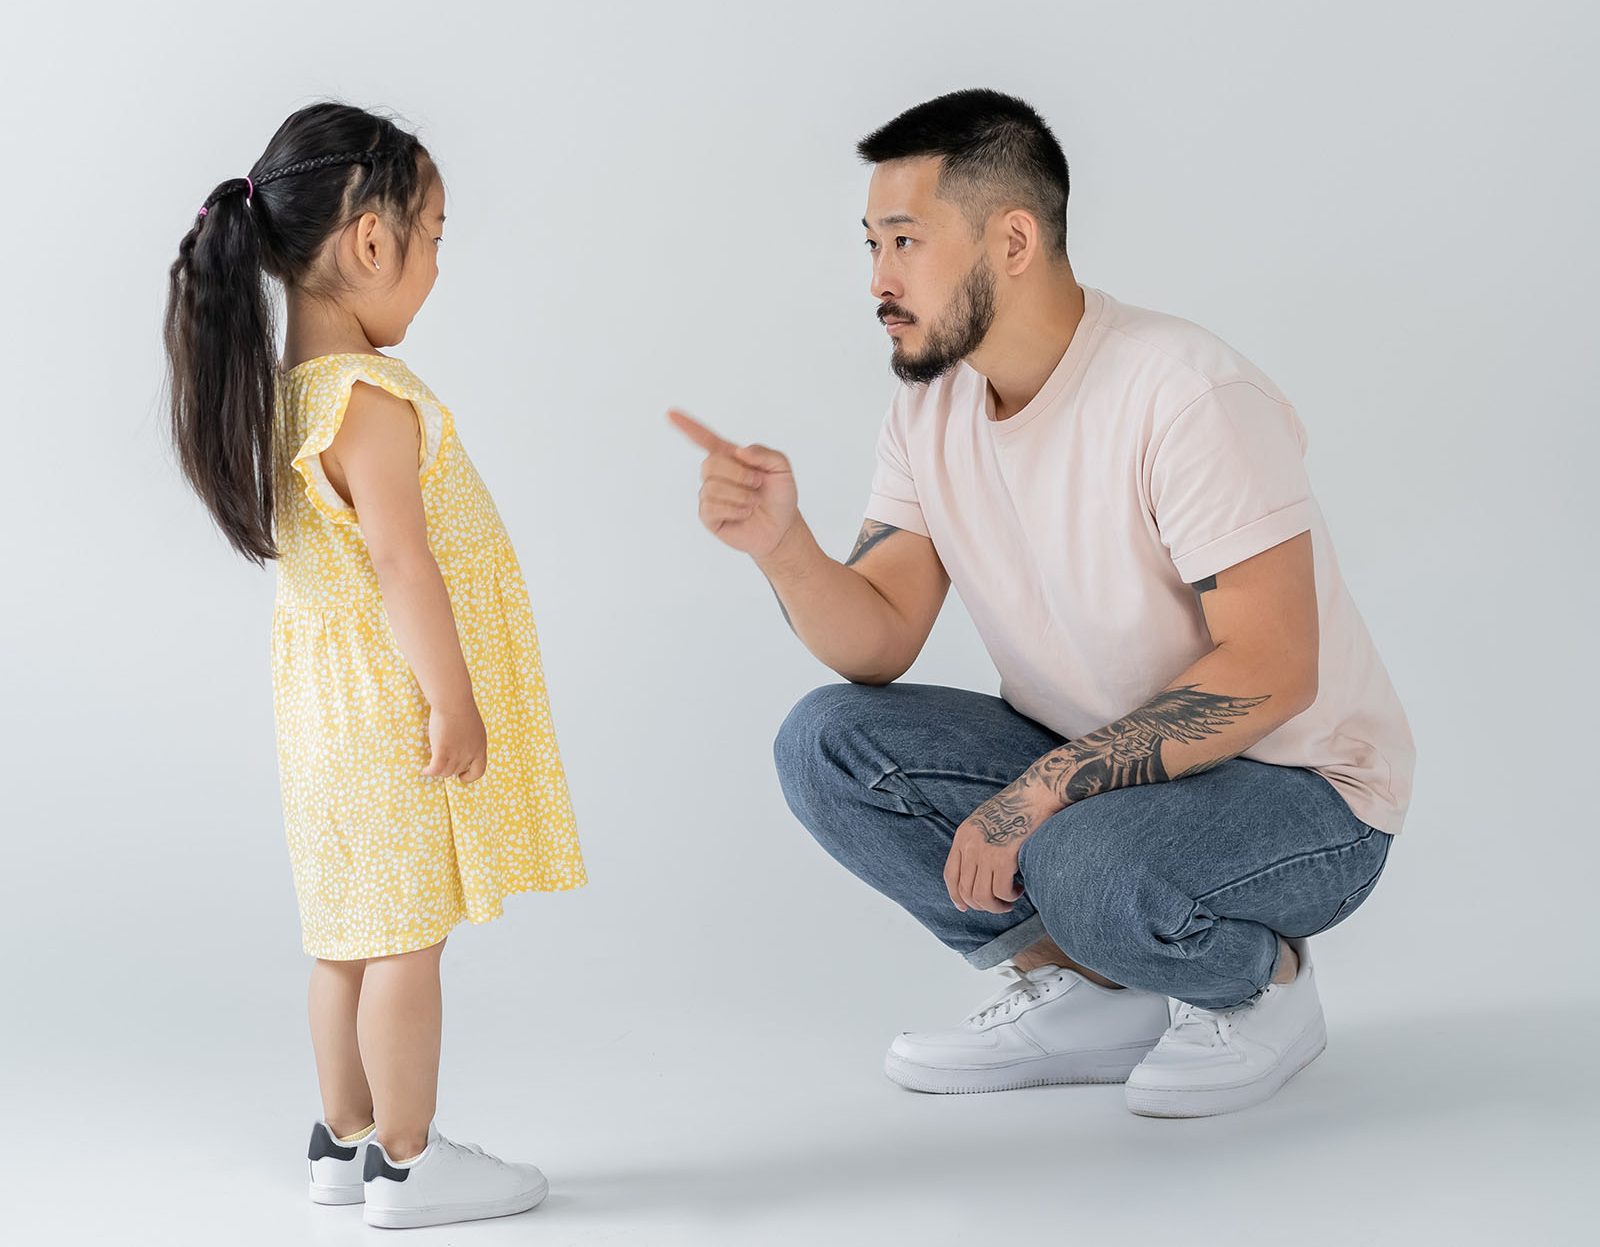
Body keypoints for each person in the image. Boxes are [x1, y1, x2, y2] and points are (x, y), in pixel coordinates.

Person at [671, 88, 1414, 1118]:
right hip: (1105, 771)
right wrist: (781, 546)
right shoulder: (929, 406)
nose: (879, 279)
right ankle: (1099, 993)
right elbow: (878, 640)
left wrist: (1039, 795)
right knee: (827, 743)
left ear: (1013, 240)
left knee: (1078, 855)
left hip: (1302, 790)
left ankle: (1259, 986)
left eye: (905, 241)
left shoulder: (1183, 392)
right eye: (871, 245)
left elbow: (1272, 669)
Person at [164, 102, 585, 1225]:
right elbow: (404, 562)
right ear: (367, 241)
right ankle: (409, 1158)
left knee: (345, 937)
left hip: (321, 713)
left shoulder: (283, 396)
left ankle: (341, 1140)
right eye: (432, 236)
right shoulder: (368, 399)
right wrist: (454, 699)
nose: (438, 263)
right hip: (392, 709)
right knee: (407, 942)